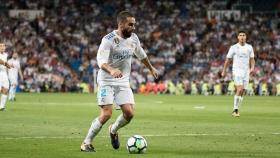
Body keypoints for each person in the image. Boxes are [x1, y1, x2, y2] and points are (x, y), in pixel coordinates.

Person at [81, 11, 158, 152]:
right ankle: (86, 143)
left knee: (129, 114)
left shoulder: (134, 38)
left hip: (122, 81)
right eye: (130, 24)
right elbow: (101, 61)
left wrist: (151, 68)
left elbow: (141, 54)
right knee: (107, 113)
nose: (133, 27)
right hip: (106, 80)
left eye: (134, 24)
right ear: (121, 24)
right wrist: (111, 70)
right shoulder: (108, 40)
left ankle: (113, 129)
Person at [221, 31, 255, 117]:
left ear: (246, 37)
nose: (242, 37)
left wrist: (252, 67)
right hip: (237, 70)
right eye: (240, 35)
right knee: (239, 89)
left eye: (243, 35)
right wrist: (224, 70)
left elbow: (252, 59)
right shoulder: (233, 47)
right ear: (238, 37)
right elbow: (228, 60)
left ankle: (237, 109)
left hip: (246, 71)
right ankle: (235, 109)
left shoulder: (249, 47)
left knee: (243, 91)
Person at [0, 43, 12, 111]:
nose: (2, 47)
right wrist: (6, 64)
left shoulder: (6, 55)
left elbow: (6, 64)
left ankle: (1, 107)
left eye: (3, 46)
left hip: (4, 74)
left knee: (6, 89)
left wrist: (8, 75)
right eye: (0, 46)